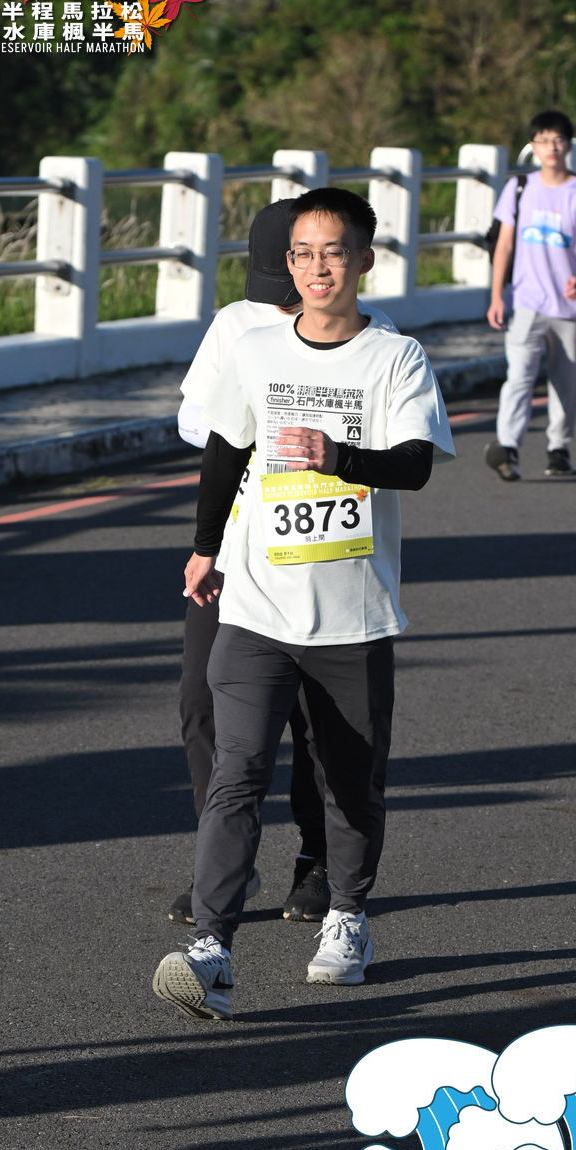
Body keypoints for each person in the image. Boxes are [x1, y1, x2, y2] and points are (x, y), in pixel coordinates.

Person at [152, 187, 455, 1021]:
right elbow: (224, 455)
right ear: (287, 264)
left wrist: (338, 455)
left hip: (351, 612)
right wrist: (205, 548)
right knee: (236, 772)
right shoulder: (253, 349)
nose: (317, 267)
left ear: (362, 259)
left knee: (350, 782)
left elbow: (414, 465)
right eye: (302, 253)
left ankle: (347, 916)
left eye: (332, 251)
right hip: (255, 604)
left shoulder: (394, 357)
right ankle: (211, 947)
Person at [173, 200, 329, 925]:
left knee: (314, 722)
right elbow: (192, 419)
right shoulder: (236, 323)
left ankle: (317, 861)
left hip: (317, 558)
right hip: (232, 554)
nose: (282, 304)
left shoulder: (371, 336)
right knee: (200, 705)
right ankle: (225, 864)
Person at [485, 110, 576, 480]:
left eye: (558, 140)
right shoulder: (519, 188)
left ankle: (558, 447)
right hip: (527, 301)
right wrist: (497, 295)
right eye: (543, 140)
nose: (551, 147)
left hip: (569, 306)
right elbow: (504, 245)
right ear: (533, 146)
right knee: (519, 376)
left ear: (568, 145)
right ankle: (508, 446)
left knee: (566, 382)